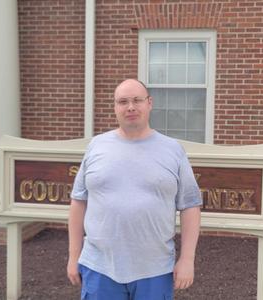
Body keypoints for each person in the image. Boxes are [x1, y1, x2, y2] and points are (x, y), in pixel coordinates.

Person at [67, 78, 202, 300]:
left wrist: (187, 259)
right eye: (123, 101)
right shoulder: (96, 147)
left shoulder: (173, 150)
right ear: (115, 107)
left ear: (149, 103)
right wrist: (74, 256)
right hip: (99, 267)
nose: (130, 107)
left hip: (155, 269)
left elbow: (190, 207)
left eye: (137, 100)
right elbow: (79, 201)